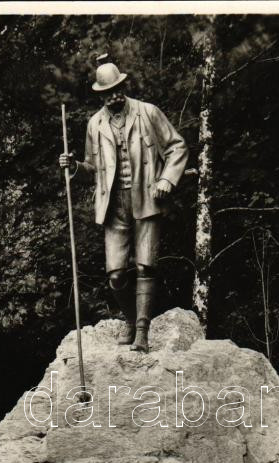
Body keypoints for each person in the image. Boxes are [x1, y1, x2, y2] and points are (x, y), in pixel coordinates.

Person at [59, 56, 189, 352]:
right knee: (116, 274)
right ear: (100, 94)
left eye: (118, 89)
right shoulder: (95, 124)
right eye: (108, 92)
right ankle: (130, 320)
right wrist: (74, 166)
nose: (114, 96)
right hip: (113, 204)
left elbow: (177, 146)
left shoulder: (148, 112)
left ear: (123, 85)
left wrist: (167, 179)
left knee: (146, 266)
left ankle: (142, 332)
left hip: (147, 197)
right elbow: (92, 167)